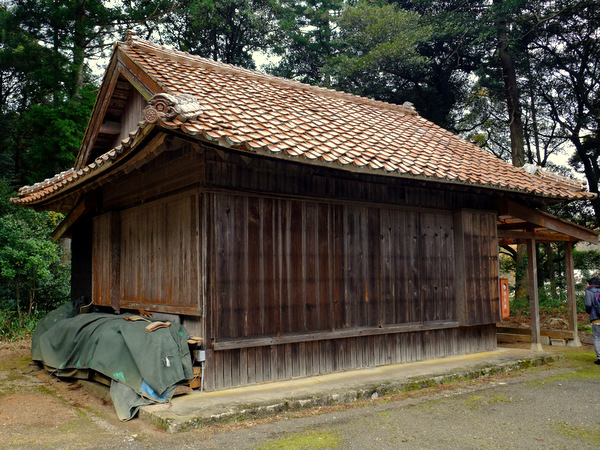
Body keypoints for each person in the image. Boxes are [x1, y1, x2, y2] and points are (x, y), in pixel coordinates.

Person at [584, 277, 600, 365]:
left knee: (597, 338)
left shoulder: (589, 291)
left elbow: (588, 305)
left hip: (596, 319)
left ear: (590, 283)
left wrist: (591, 312)